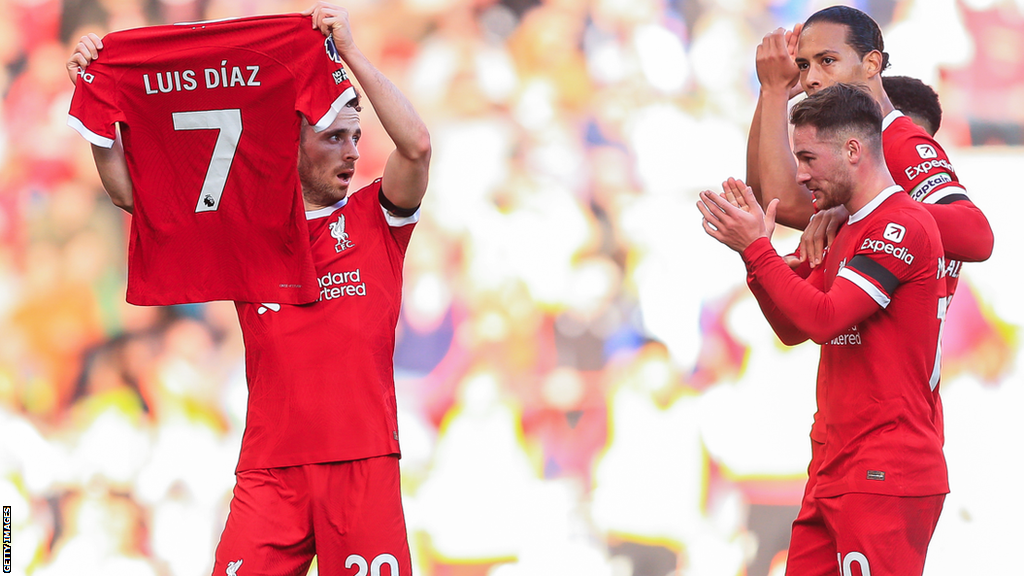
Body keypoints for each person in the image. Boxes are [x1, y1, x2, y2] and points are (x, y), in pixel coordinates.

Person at [67, 2, 431, 574]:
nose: (354, 152)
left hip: (361, 463)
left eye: (357, 138)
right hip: (270, 471)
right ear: (292, 142)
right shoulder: (248, 219)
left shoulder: (374, 221)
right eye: (336, 137)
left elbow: (415, 148)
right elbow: (132, 196)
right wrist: (97, 99)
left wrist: (353, 57)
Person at [699, 83, 949, 576]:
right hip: (835, 464)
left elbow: (824, 319)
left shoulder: (900, 226)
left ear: (853, 150)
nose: (800, 174)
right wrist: (756, 259)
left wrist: (758, 251)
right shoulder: (845, 226)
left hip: (884, 468)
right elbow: (793, 329)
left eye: (808, 157)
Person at [746, 5, 992, 271]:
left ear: (872, 64)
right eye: (804, 65)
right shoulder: (847, 141)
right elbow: (766, 200)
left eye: (827, 60)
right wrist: (772, 92)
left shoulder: (900, 139)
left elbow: (977, 237)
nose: (811, 79)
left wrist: (869, 206)